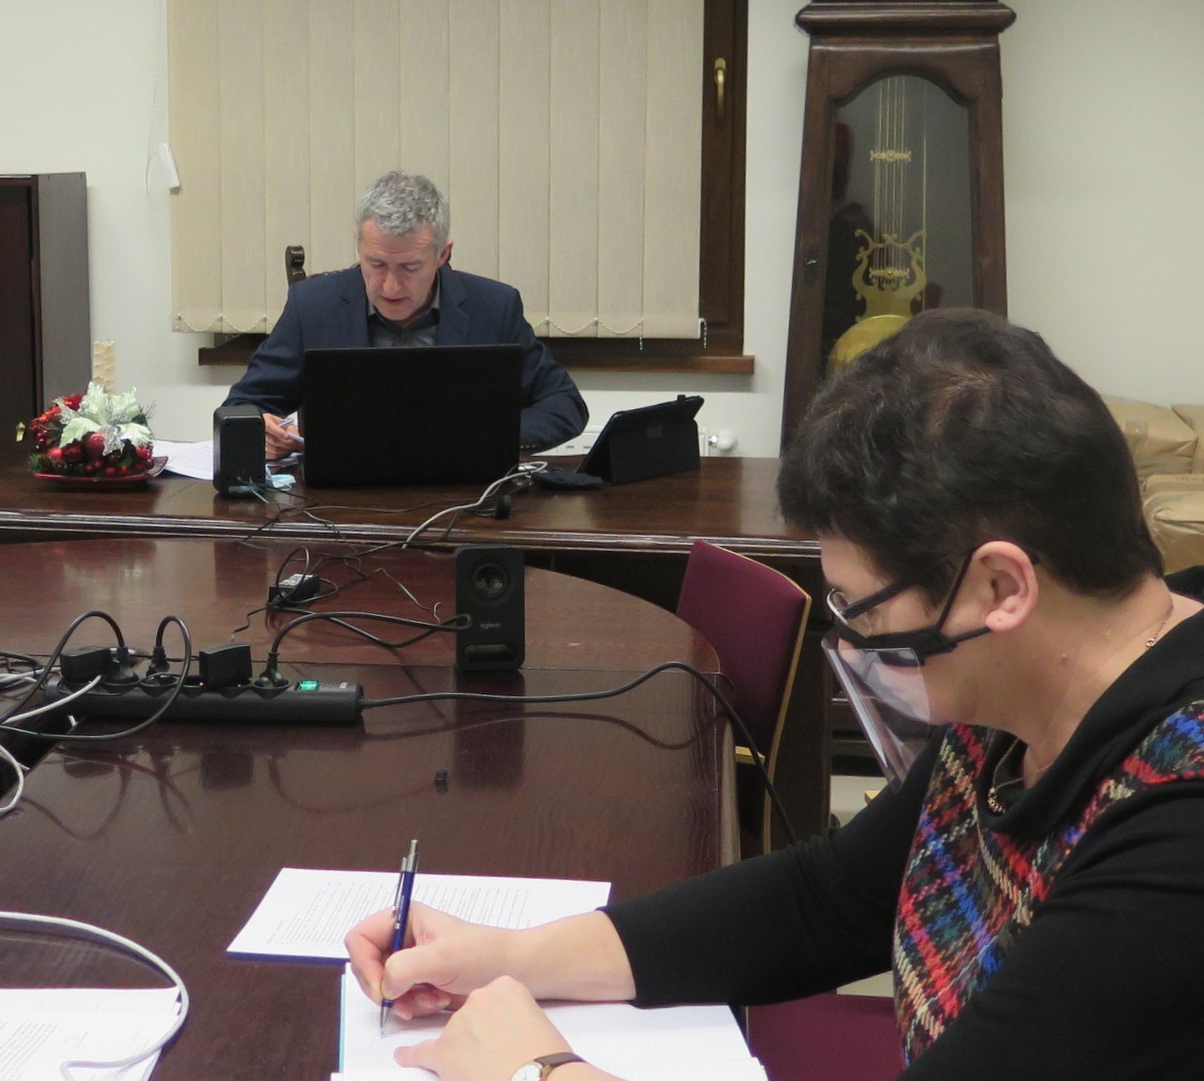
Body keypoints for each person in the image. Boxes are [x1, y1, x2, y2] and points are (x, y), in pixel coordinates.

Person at [345, 308, 1204, 1080]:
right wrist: (508, 956)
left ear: (999, 588)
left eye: (865, 608)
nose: (860, 638)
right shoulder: (1027, 681)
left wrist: (534, 1071)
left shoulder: (1177, 826)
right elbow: (825, 899)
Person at [222, 171, 588, 459]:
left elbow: (564, 405)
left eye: (410, 267)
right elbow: (240, 407)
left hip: (464, 498)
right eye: (376, 264)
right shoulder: (313, 306)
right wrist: (260, 429)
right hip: (340, 504)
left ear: (443, 254)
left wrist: (483, 436)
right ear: (359, 246)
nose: (390, 286)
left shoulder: (493, 308)